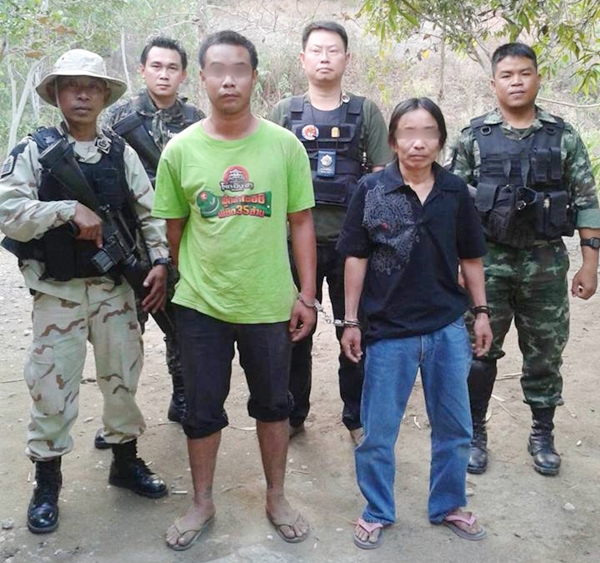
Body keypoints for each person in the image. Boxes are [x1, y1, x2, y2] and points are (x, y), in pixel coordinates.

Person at [153, 30, 317, 551]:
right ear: (201, 78)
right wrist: (197, 277)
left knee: (274, 404)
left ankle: (276, 497)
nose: (229, 80)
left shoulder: (284, 146)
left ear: (254, 77)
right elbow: (174, 230)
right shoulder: (180, 150)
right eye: (218, 70)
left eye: (240, 69)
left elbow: (301, 223)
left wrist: (306, 294)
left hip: (269, 303)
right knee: (201, 408)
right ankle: (201, 501)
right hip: (201, 306)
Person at [0, 49, 170, 534]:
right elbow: (8, 212)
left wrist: (160, 261)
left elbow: (150, 212)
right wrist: (64, 210)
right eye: (71, 86)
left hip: (114, 290)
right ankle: (47, 481)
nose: (82, 94)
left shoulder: (120, 152)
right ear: (56, 94)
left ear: (103, 96)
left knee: (123, 377)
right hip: (58, 293)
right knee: (51, 386)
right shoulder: (35, 151)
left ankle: (125, 461)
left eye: (92, 86)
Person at [338, 98, 491, 549]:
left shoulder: (455, 192)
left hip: (447, 328)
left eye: (428, 132)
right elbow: (355, 257)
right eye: (408, 132)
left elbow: (471, 257)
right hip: (389, 332)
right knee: (378, 431)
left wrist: (482, 312)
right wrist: (351, 321)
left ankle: (448, 504)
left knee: (456, 428)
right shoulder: (371, 189)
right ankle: (376, 509)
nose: (418, 142)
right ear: (393, 140)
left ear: (441, 140)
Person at [448, 42, 600, 477]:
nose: (516, 82)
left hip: (545, 262)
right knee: (479, 351)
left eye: (524, 73)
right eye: (507, 75)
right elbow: (452, 204)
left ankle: (542, 434)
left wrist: (590, 264)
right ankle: (475, 433)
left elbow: (587, 202)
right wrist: (455, 263)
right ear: (493, 83)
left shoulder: (563, 137)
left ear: (538, 78)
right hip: (487, 265)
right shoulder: (474, 137)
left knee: (545, 353)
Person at [270, 21, 393, 443]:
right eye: (317, 50)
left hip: (351, 247)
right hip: (293, 245)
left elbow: (381, 178)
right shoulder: (285, 112)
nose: (325, 58)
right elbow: (268, 174)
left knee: (354, 331)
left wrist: (376, 238)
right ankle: (293, 414)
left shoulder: (366, 111)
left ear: (346, 58)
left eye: (333, 50)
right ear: (302, 59)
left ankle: (355, 417)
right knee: (293, 335)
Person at [95, 36, 205, 440]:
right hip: (129, 244)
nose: (163, 74)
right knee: (125, 333)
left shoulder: (195, 119)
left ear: (183, 74)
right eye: (156, 66)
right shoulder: (118, 116)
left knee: (182, 327)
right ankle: (120, 418)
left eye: (172, 67)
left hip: (178, 241)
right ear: (142, 70)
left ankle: (183, 398)